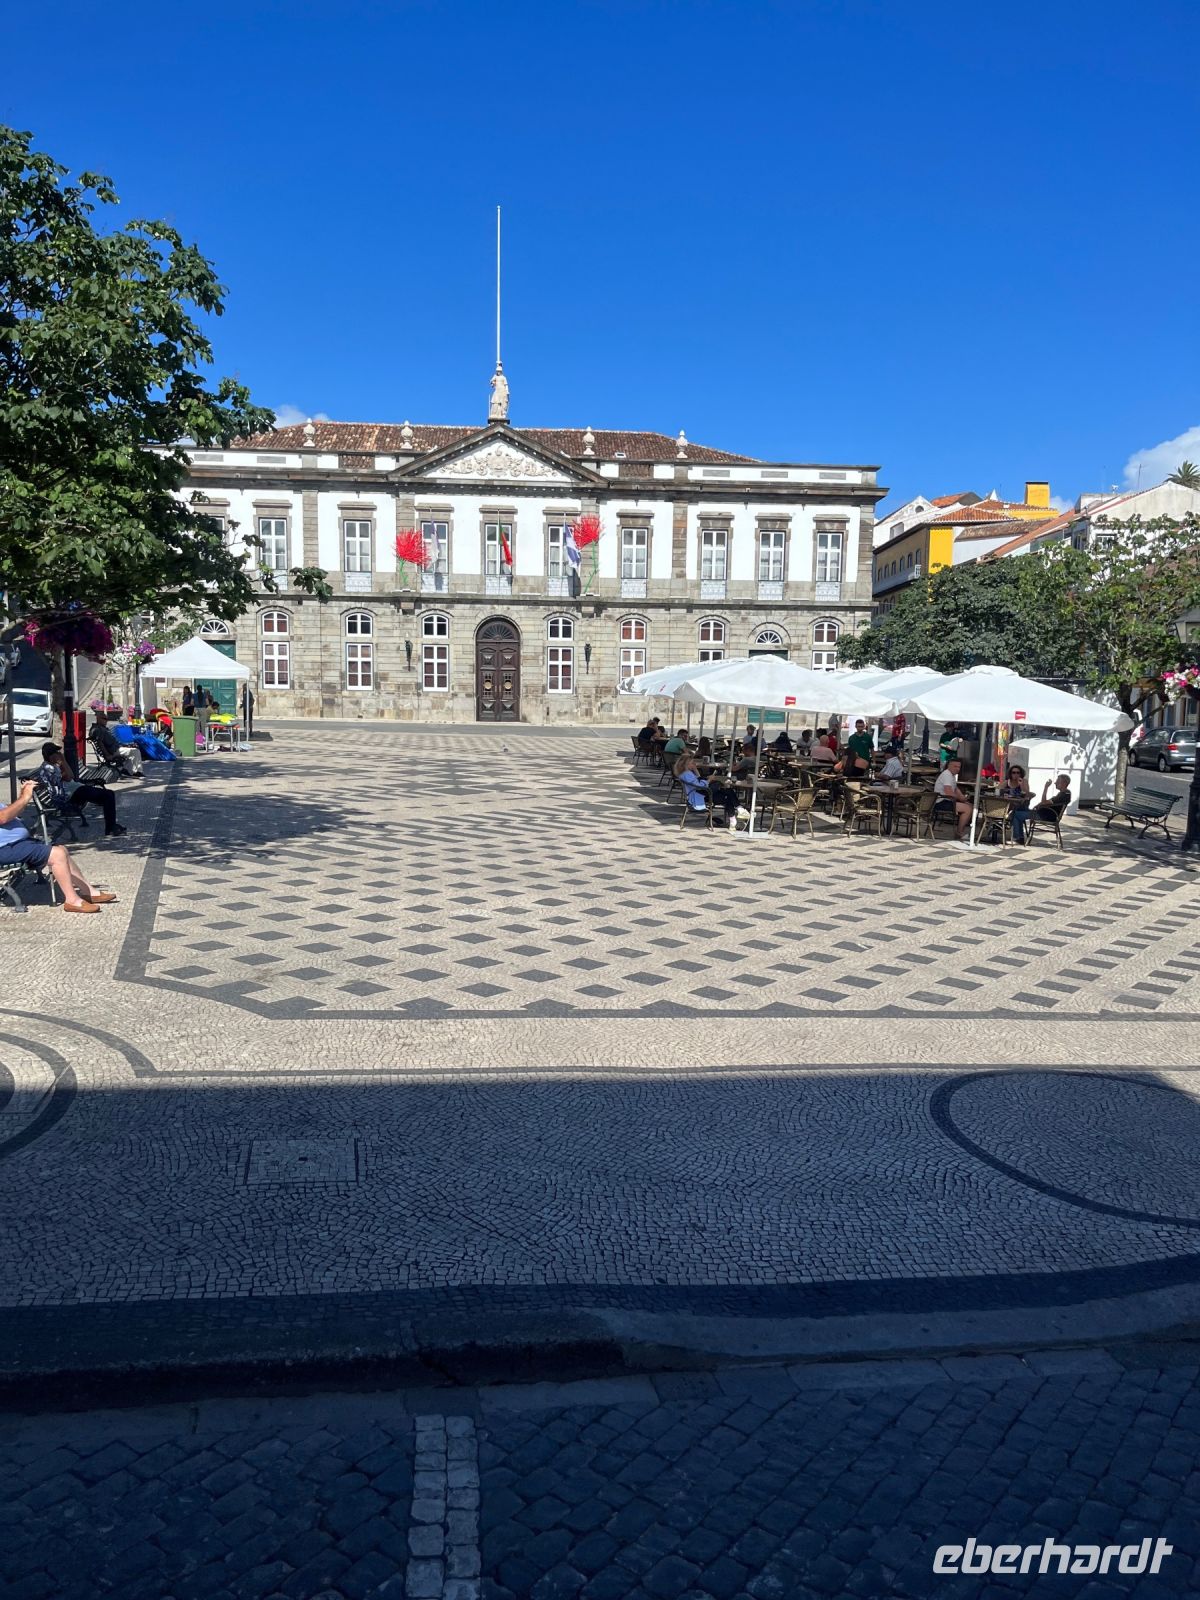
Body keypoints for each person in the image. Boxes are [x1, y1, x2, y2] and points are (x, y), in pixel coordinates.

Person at [0, 779, 118, 914]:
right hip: (5, 848)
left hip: (16, 843)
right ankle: (72, 901)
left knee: (61, 850)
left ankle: (88, 891)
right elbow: (3, 817)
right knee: (57, 855)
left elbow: (10, 812)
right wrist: (25, 796)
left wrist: (23, 796)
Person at [36, 743, 125, 837]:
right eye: (56, 752)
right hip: (69, 796)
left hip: (75, 790)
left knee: (109, 794)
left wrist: (62, 761)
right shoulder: (48, 768)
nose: (58, 754)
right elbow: (70, 776)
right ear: (50, 755)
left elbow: (70, 776)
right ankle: (111, 828)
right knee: (108, 795)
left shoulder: (52, 766)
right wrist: (63, 761)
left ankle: (111, 827)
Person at [676, 753, 743, 829]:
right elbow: (700, 786)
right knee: (727, 794)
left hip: (700, 794)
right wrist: (709, 780)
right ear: (686, 764)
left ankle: (734, 819)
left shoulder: (685, 773)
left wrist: (695, 769)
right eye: (692, 763)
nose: (694, 764)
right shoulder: (687, 774)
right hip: (701, 796)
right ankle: (738, 811)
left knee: (727, 793)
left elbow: (698, 780)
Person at [1012, 774, 1071, 845]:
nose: (1055, 783)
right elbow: (1045, 802)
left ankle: (1018, 838)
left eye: (1057, 781)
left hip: (1044, 816)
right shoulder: (1065, 793)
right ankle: (1019, 837)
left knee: (1016, 814)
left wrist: (1046, 787)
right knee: (1020, 809)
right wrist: (1037, 806)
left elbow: (1044, 801)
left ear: (1064, 783)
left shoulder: (1063, 795)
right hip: (1044, 813)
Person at [934, 757, 973, 840]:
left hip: (947, 800)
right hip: (941, 802)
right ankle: (959, 832)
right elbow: (949, 792)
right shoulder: (947, 775)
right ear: (949, 766)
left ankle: (960, 831)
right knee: (967, 809)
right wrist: (960, 799)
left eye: (959, 767)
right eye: (955, 766)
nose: (957, 769)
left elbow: (955, 789)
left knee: (969, 806)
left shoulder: (951, 776)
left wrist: (963, 798)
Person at [92, 712, 142, 777]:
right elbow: (100, 742)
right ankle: (136, 771)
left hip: (116, 748)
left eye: (107, 719)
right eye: (104, 719)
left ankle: (126, 770)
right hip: (113, 751)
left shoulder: (103, 728)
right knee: (135, 751)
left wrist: (127, 745)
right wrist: (107, 755)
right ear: (98, 719)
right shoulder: (98, 729)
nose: (106, 721)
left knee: (133, 749)